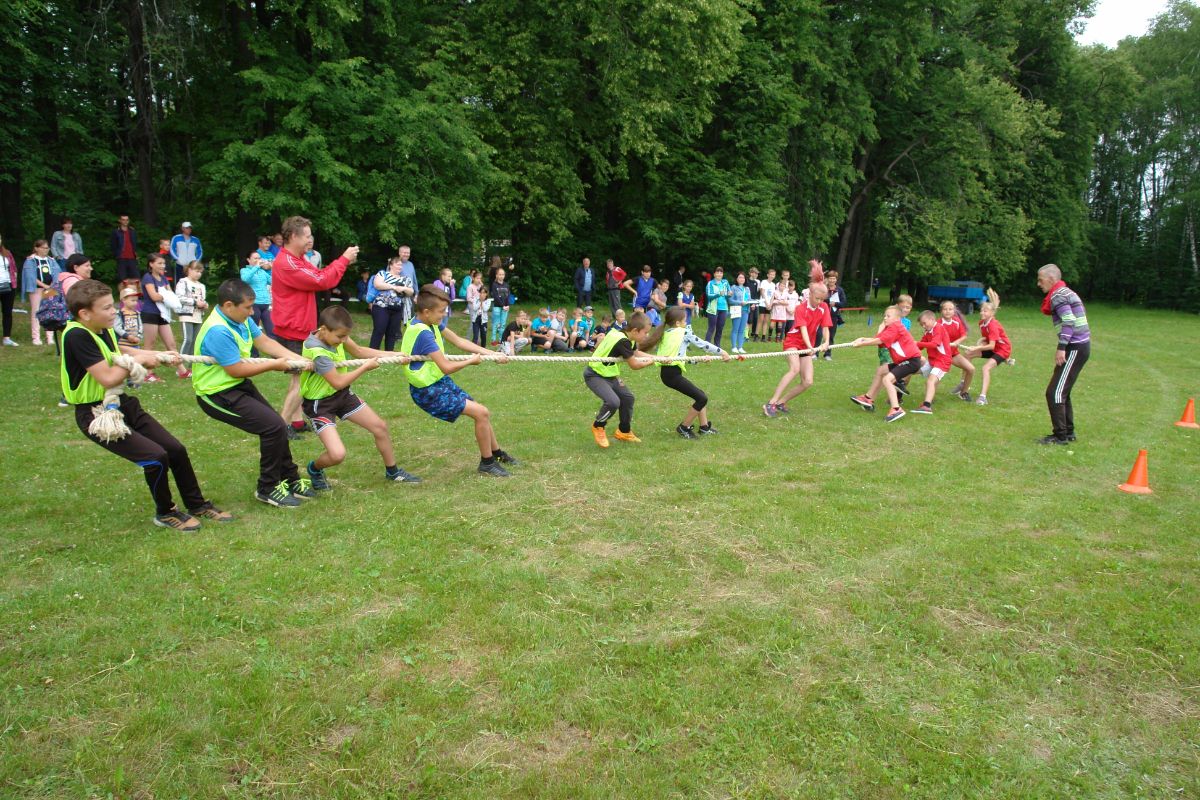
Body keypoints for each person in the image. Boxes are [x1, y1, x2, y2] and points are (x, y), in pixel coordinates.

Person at [61, 279, 232, 531]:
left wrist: (156, 355)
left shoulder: (100, 328)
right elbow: (108, 377)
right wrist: (141, 362)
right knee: (155, 458)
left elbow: (119, 350)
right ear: (85, 313)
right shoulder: (77, 335)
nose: (114, 312)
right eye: (106, 308)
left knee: (175, 449)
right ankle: (165, 512)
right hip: (97, 414)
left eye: (112, 305)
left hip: (121, 402)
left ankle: (197, 504)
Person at [192, 278, 314, 508]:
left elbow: (265, 342)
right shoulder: (218, 330)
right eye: (247, 307)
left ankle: (289, 479)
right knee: (273, 427)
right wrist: (274, 364)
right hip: (216, 393)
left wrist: (299, 360)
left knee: (277, 425)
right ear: (229, 305)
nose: (251, 312)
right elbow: (236, 369)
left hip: (236, 386)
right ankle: (267, 488)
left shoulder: (241, 319)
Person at [401, 285, 517, 477]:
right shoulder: (423, 333)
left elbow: (459, 341)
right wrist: (470, 361)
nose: (444, 315)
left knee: (481, 412)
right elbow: (446, 366)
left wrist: (491, 354)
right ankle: (487, 463)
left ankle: (496, 453)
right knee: (481, 413)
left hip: (438, 382)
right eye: (441, 311)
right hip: (427, 391)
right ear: (427, 311)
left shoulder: (428, 322)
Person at [299, 304, 420, 489]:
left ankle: (393, 472)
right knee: (337, 455)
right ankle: (315, 469)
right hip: (320, 404)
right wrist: (364, 367)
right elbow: (338, 381)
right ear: (323, 329)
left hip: (341, 396)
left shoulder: (335, 333)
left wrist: (394, 355)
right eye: (340, 337)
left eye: (345, 337)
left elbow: (359, 351)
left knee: (380, 427)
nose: (343, 340)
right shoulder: (318, 351)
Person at [271, 215, 358, 439]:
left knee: (300, 378)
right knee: (300, 382)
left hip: (297, 326)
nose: (310, 240)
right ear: (293, 236)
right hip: (294, 329)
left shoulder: (297, 259)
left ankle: (297, 422)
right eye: (307, 236)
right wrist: (343, 260)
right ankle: (281, 427)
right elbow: (321, 280)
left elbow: (318, 276)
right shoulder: (288, 263)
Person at [651, 306, 729, 438]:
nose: (686, 322)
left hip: (668, 374)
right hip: (672, 375)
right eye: (684, 320)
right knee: (702, 398)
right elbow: (703, 344)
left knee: (700, 395)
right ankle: (684, 427)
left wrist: (699, 360)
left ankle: (704, 427)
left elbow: (681, 358)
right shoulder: (683, 332)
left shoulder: (667, 333)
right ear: (677, 323)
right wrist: (722, 352)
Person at [1036, 264, 1090, 445]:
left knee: (1054, 393)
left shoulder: (1058, 295)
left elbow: (1069, 321)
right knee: (1061, 391)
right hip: (1080, 346)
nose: (1038, 284)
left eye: (1041, 280)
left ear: (1051, 279)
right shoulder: (1066, 292)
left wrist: (1061, 347)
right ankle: (1068, 432)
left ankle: (1060, 436)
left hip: (1075, 347)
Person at [584, 310, 654, 448]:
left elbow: (635, 353)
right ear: (635, 330)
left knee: (627, 398)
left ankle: (623, 431)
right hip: (595, 374)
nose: (647, 335)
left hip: (610, 375)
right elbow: (634, 365)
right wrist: (651, 362)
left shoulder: (624, 335)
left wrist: (658, 358)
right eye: (645, 332)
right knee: (613, 402)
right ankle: (598, 426)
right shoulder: (623, 341)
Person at [763, 282, 831, 417]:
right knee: (794, 369)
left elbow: (825, 327)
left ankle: (781, 402)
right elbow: (803, 329)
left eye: (822, 299)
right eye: (817, 298)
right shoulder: (800, 308)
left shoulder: (823, 307)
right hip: (793, 342)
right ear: (810, 294)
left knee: (808, 381)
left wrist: (826, 342)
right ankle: (771, 403)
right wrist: (811, 347)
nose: (819, 302)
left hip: (806, 345)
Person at [849, 305, 921, 423]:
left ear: (897, 319)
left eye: (888, 316)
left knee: (887, 379)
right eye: (885, 316)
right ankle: (868, 398)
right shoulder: (890, 329)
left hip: (911, 361)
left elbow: (880, 340)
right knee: (881, 370)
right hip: (904, 361)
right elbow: (877, 339)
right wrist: (862, 339)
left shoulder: (896, 327)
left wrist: (862, 344)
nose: (885, 318)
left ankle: (896, 409)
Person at [139, 254, 186, 380]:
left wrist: (165, 296)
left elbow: (171, 294)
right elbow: (154, 296)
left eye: (163, 263)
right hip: (150, 313)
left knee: (171, 344)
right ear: (151, 264)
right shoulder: (148, 278)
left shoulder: (163, 278)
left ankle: (182, 371)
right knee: (150, 345)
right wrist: (166, 296)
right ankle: (148, 374)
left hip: (163, 314)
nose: (162, 266)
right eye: (159, 263)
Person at [962, 289, 1013, 408]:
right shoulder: (982, 323)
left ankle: (983, 397)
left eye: (985, 311)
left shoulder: (993, 325)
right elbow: (987, 339)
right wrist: (979, 344)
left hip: (1002, 350)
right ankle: (962, 384)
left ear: (992, 313)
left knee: (985, 368)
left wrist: (977, 347)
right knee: (968, 355)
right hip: (994, 348)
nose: (982, 313)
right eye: (981, 310)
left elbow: (991, 346)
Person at [369, 255, 415, 351]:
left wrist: (403, 288)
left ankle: (389, 355)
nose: (400, 267)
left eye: (401, 265)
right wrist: (394, 287)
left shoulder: (405, 279)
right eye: (398, 264)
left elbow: (411, 291)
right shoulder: (383, 274)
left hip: (397, 309)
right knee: (379, 330)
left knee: (392, 334)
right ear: (391, 265)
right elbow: (377, 284)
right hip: (381, 307)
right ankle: (372, 354)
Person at [912, 310, 954, 415]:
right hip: (932, 362)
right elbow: (921, 345)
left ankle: (926, 406)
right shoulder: (927, 331)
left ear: (932, 319)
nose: (923, 326)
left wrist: (917, 343)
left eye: (924, 323)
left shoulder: (938, 328)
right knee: (911, 370)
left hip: (942, 361)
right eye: (921, 325)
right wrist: (909, 346)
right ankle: (899, 385)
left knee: (930, 381)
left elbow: (935, 344)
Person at [22, 239, 60, 346]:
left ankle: (50, 337)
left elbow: (57, 273)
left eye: (47, 248)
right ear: (36, 248)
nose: (46, 250)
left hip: (50, 289)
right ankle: (36, 337)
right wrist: (45, 286)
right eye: (43, 248)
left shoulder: (51, 260)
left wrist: (52, 285)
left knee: (50, 311)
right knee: (36, 312)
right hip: (37, 289)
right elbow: (31, 276)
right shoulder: (31, 260)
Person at [939, 301, 976, 402]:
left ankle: (964, 392)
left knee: (971, 369)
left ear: (954, 311)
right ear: (941, 311)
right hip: (941, 355)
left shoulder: (956, 321)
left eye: (950, 309)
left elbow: (964, 335)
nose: (948, 311)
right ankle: (930, 398)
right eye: (945, 309)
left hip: (953, 354)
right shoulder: (938, 324)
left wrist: (956, 342)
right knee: (935, 376)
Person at [176, 261, 209, 363]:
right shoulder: (183, 282)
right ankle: (180, 364)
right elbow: (179, 297)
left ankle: (192, 365)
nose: (199, 274)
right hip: (187, 314)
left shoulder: (202, 286)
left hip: (198, 315)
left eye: (200, 272)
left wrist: (205, 304)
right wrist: (195, 302)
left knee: (196, 341)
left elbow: (202, 299)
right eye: (196, 271)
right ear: (189, 270)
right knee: (188, 339)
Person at [239, 251, 274, 347]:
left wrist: (274, 268)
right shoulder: (244, 270)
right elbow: (245, 279)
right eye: (255, 258)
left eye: (259, 258)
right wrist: (257, 267)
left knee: (271, 330)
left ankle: (274, 353)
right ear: (248, 260)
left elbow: (273, 281)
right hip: (253, 304)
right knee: (253, 331)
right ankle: (253, 354)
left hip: (266, 303)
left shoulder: (262, 272)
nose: (258, 260)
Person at [704, 266, 731, 348]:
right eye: (717, 272)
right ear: (714, 274)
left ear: (722, 274)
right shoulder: (710, 283)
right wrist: (718, 294)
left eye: (721, 272)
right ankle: (707, 346)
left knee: (720, 328)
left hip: (724, 308)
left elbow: (727, 295)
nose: (719, 274)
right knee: (711, 328)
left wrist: (729, 294)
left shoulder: (725, 282)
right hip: (713, 309)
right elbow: (709, 296)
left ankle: (717, 345)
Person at [823, 270, 847, 359]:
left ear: (836, 279)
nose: (832, 280)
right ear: (827, 279)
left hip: (833, 316)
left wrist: (835, 304)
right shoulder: (824, 288)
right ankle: (815, 353)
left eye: (833, 278)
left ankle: (827, 354)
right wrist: (828, 301)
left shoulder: (840, 290)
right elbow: (819, 299)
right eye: (830, 278)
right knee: (819, 334)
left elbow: (844, 303)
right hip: (822, 315)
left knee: (831, 336)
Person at [727, 271, 752, 354]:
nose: (742, 279)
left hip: (746, 311)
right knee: (735, 329)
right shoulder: (733, 287)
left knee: (742, 330)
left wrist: (753, 303)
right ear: (737, 279)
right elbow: (730, 300)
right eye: (740, 277)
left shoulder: (747, 289)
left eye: (743, 277)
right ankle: (734, 347)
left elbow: (749, 299)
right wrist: (739, 302)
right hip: (737, 310)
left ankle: (740, 347)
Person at [110, 214, 139, 283]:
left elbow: (134, 243)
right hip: (121, 257)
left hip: (132, 257)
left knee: (136, 277)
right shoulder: (116, 232)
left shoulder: (132, 231)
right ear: (120, 221)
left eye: (127, 220)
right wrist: (117, 254)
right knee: (122, 278)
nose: (125, 221)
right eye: (123, 220)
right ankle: (124, 290)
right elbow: (113, 245)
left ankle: (135, 290)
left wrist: (135, 253)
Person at [0, 234, 17, 346]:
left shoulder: (7, 253)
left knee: (7, 312)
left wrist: (14, 280)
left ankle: (7, 338)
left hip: (8, 286)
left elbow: (13, 268)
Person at [488, 267, 512, 345]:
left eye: (503, 274)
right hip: (497, 307)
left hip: (505, 308)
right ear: (496, 275)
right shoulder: (494, 285)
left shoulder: (506, 285)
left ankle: (501, 340)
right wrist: (502, 306)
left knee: (503, 324)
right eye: (500, 274)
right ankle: (493, 340)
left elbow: (507, 296)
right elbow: (496, 297)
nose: (501, 276)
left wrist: (508, 305)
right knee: (496, 324)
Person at [755, 267, 776, 342]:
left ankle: (763, 337)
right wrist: (766, 303)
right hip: (762, 303)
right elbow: (762, 292)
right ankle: (756, 336)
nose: (772, 276)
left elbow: (773, 295)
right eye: (771, 274)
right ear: (768, 275)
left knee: (766, 321)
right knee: (760, 320)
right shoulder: (764, 282)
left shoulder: (773, 284)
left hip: (769, 305)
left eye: (773, 275)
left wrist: (770, 304)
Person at [745, 268, 760, 343]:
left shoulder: (756, 283)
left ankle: (748, 334)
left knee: (753, 320)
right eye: (754, 273)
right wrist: (750, 303)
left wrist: (754, 303)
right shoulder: (746, 282)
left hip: (754, 303)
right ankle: (745, 336)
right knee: (748, 320)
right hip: (747, 303)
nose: (756, 275)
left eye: (757, 273)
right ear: (750, 273)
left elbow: (755, 294)